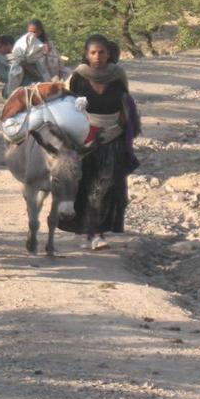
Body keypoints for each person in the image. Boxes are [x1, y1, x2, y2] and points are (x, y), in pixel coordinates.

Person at [59, 34, 140, 250]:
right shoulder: (78, 77)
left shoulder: (118, 75)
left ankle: (97, 231)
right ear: (86, 54)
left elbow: (126, 104)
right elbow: (67, 107)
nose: (97, 56)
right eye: (93, 52)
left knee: (106, 184)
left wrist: (125, 129)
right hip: (84, 136)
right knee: (85, 183)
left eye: (101, 52)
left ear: (109, 53)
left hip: (112, 136)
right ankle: (92, 232)